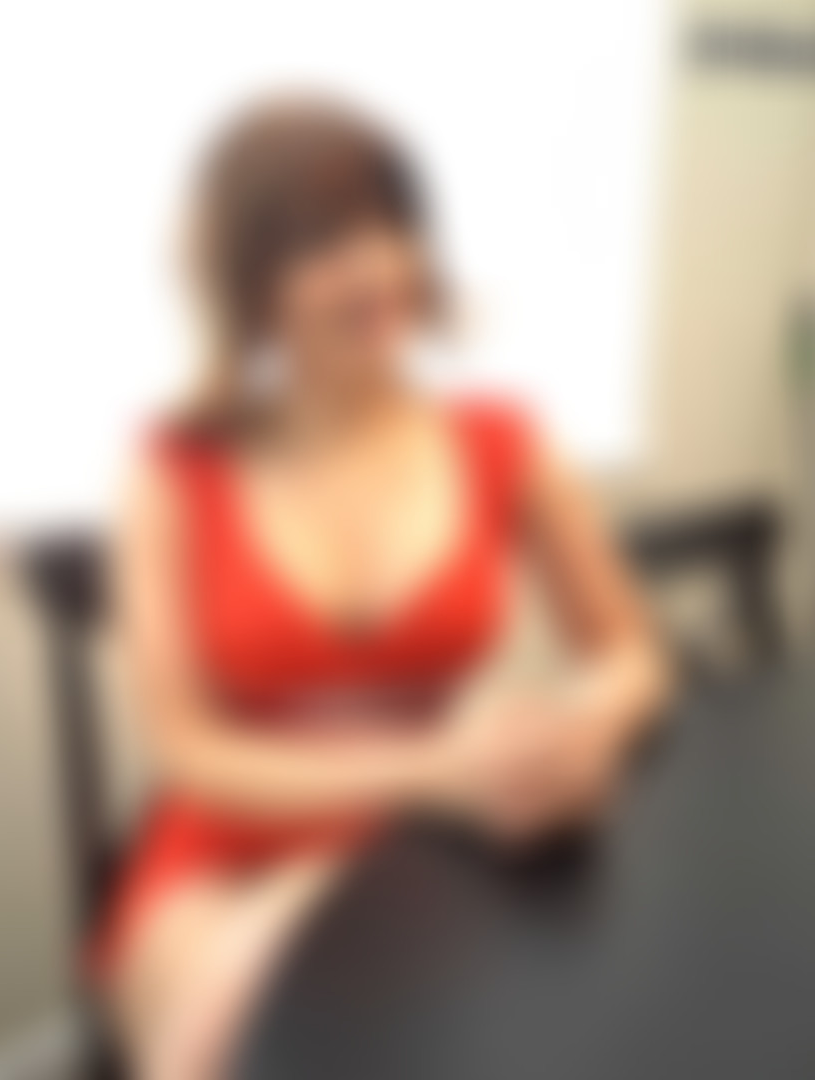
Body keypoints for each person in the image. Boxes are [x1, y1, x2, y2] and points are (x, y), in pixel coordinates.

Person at [100, 95, 675, 1080]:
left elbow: (632, 655)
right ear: (249, 279)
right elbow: (183, 747)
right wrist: (435, 768)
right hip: (227, 855)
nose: (379, 267)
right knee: (222, 1037)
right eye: (326, 242)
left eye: (393, 225)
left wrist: (577, 727)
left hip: (426, 850)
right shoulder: (173, 464)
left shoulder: (503, 440)